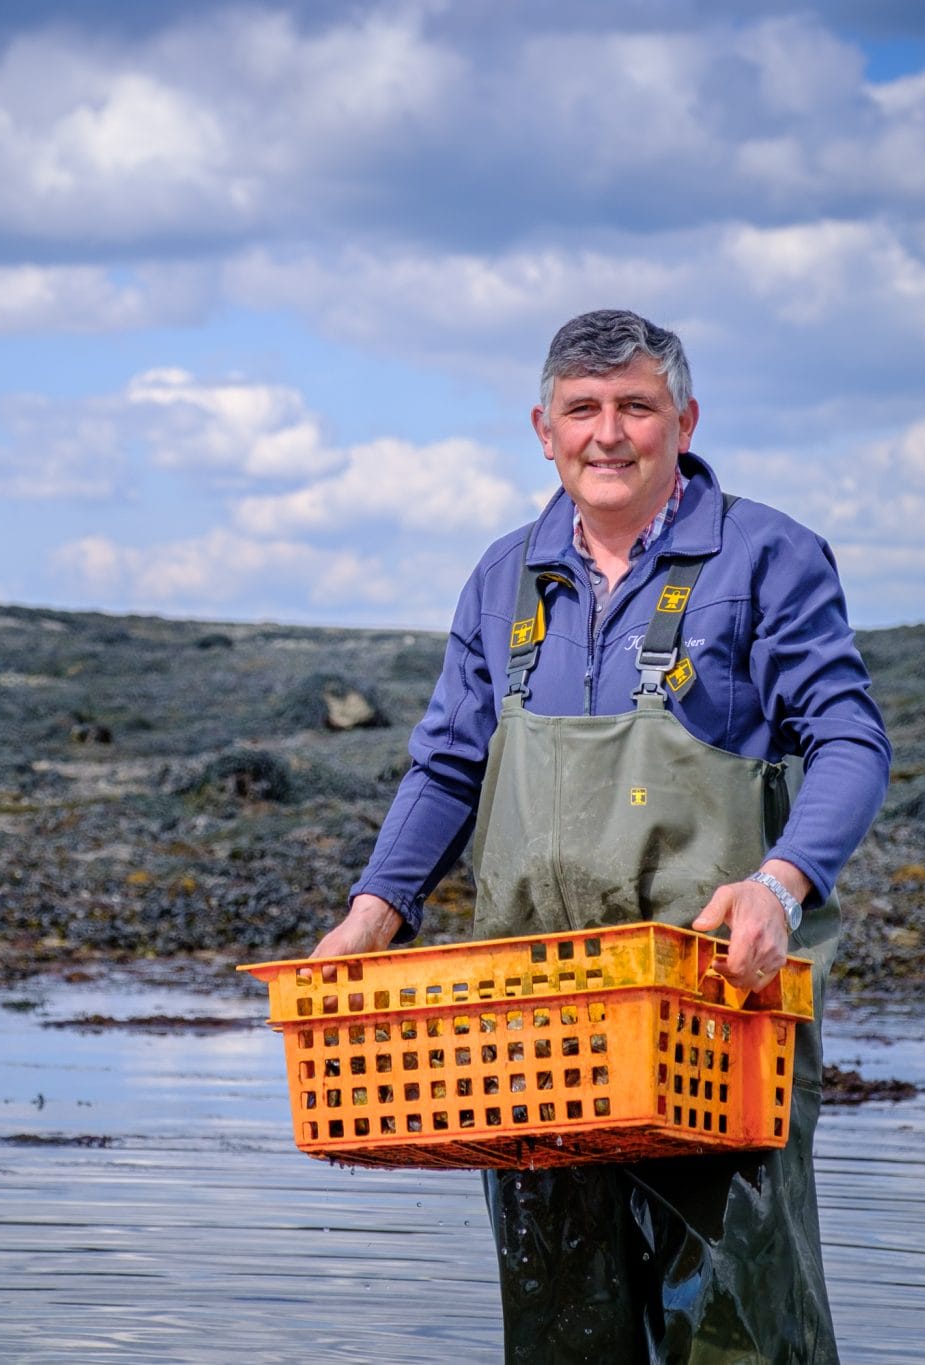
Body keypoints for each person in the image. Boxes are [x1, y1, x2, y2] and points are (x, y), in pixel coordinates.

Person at [312, 309, 891, 1363]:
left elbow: (849, 738)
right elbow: (448, 765)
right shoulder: (503, 578)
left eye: (635, 406)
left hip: (715, 1011)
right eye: (582, 410)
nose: (607, 433)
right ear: (542, 428)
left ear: (684, 420)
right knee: (557, 1332)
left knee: (733, 1333)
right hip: (534, 1027)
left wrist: (780, 882)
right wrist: (370, 914)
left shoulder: (766, 557)